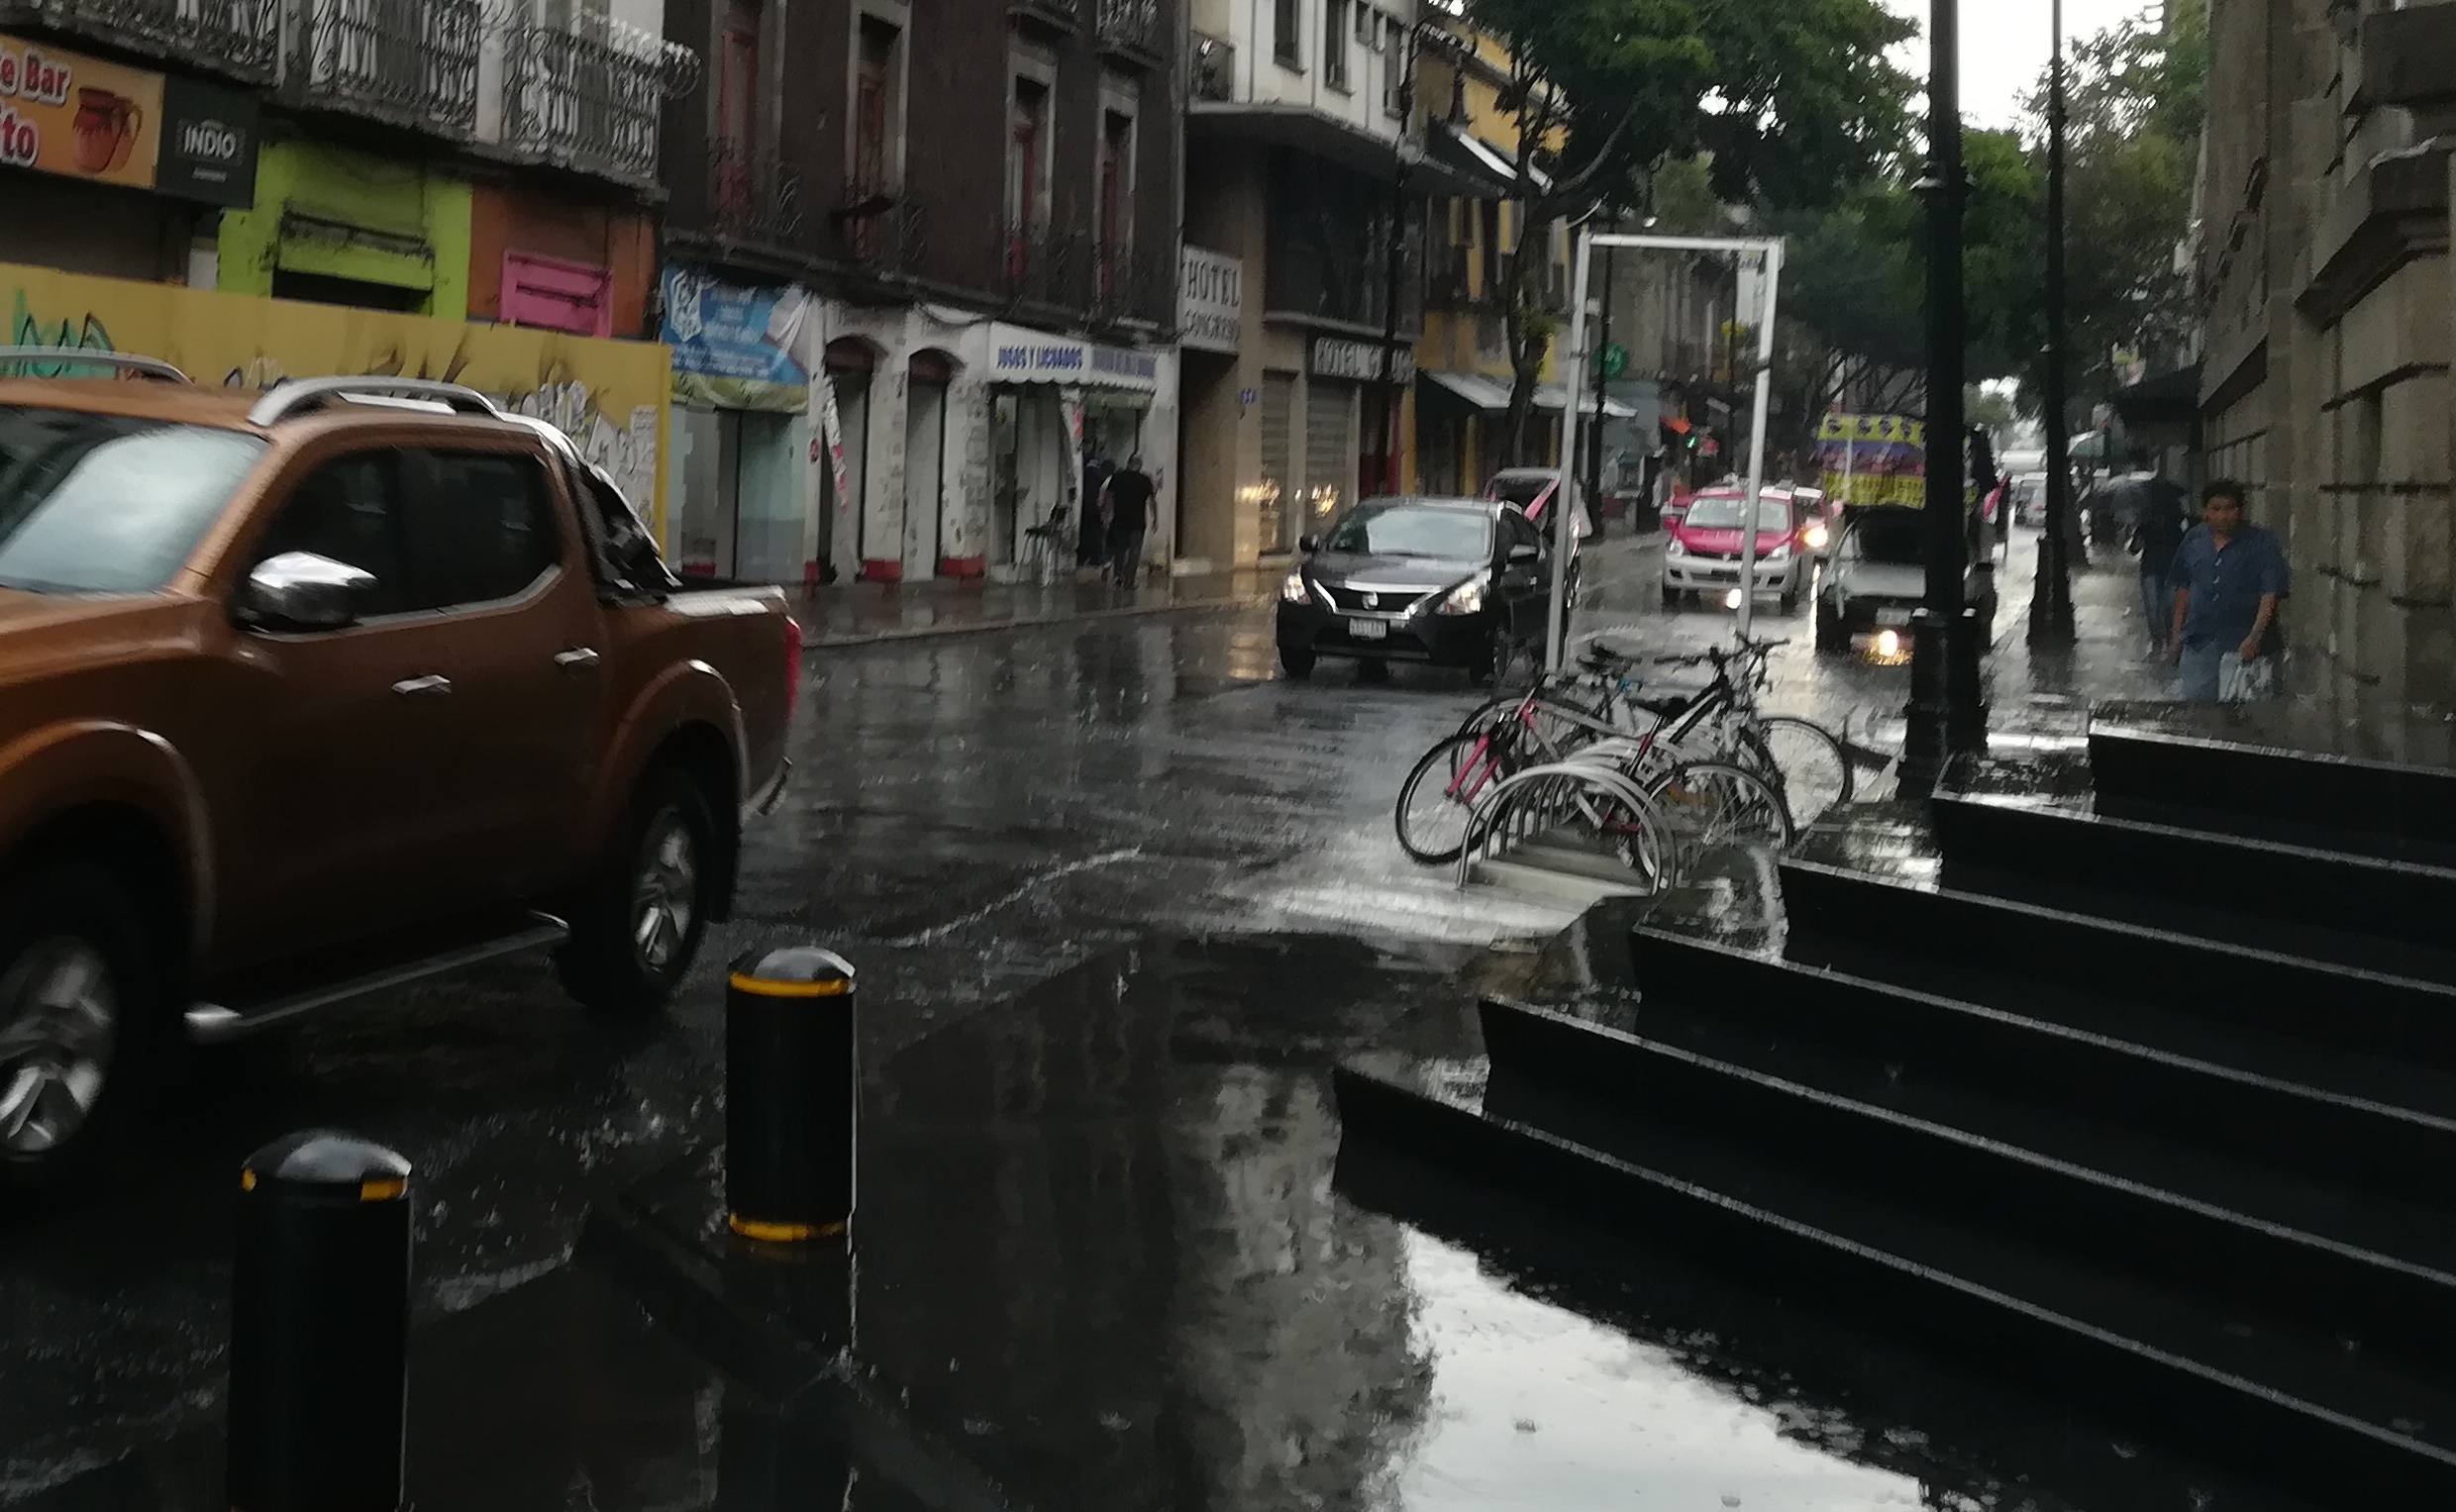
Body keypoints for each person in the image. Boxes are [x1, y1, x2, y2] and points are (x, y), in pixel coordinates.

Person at [2168, 479, 2288, 702]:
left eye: (2230, 508)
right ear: (2205, 511)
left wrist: (2255, 635)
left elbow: (2270, 593)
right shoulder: (2194, 539)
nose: (2223, 516)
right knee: (2196, 711)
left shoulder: (2261, 543)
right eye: (2216, 509)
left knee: (2245, 718)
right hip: (2200, 642)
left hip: (2244, 646)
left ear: (2240, 510)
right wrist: (2176, 636)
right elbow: (2183, 588)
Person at [2126, 461, 2190, 657]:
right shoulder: (2177, 521)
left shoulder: (2154, 520)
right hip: (2165, 569)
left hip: (2155, 569)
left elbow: (2133, 549)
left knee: (2157, 609)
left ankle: (2159, 644)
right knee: (2167, 608)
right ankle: (2166, 643)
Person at [1100, 453, 1157, 590]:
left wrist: (1106, 515)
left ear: (1128, 463)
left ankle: (1118, 577)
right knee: (1134, 552)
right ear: (1140, 465)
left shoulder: (1118, 477)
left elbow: (1108, 496)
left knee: (1120, 550)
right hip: (1138, 523)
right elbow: (1152, 500)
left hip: (1120, 520)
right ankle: (1129, 580)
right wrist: (1155, 518)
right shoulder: (1144, 480)